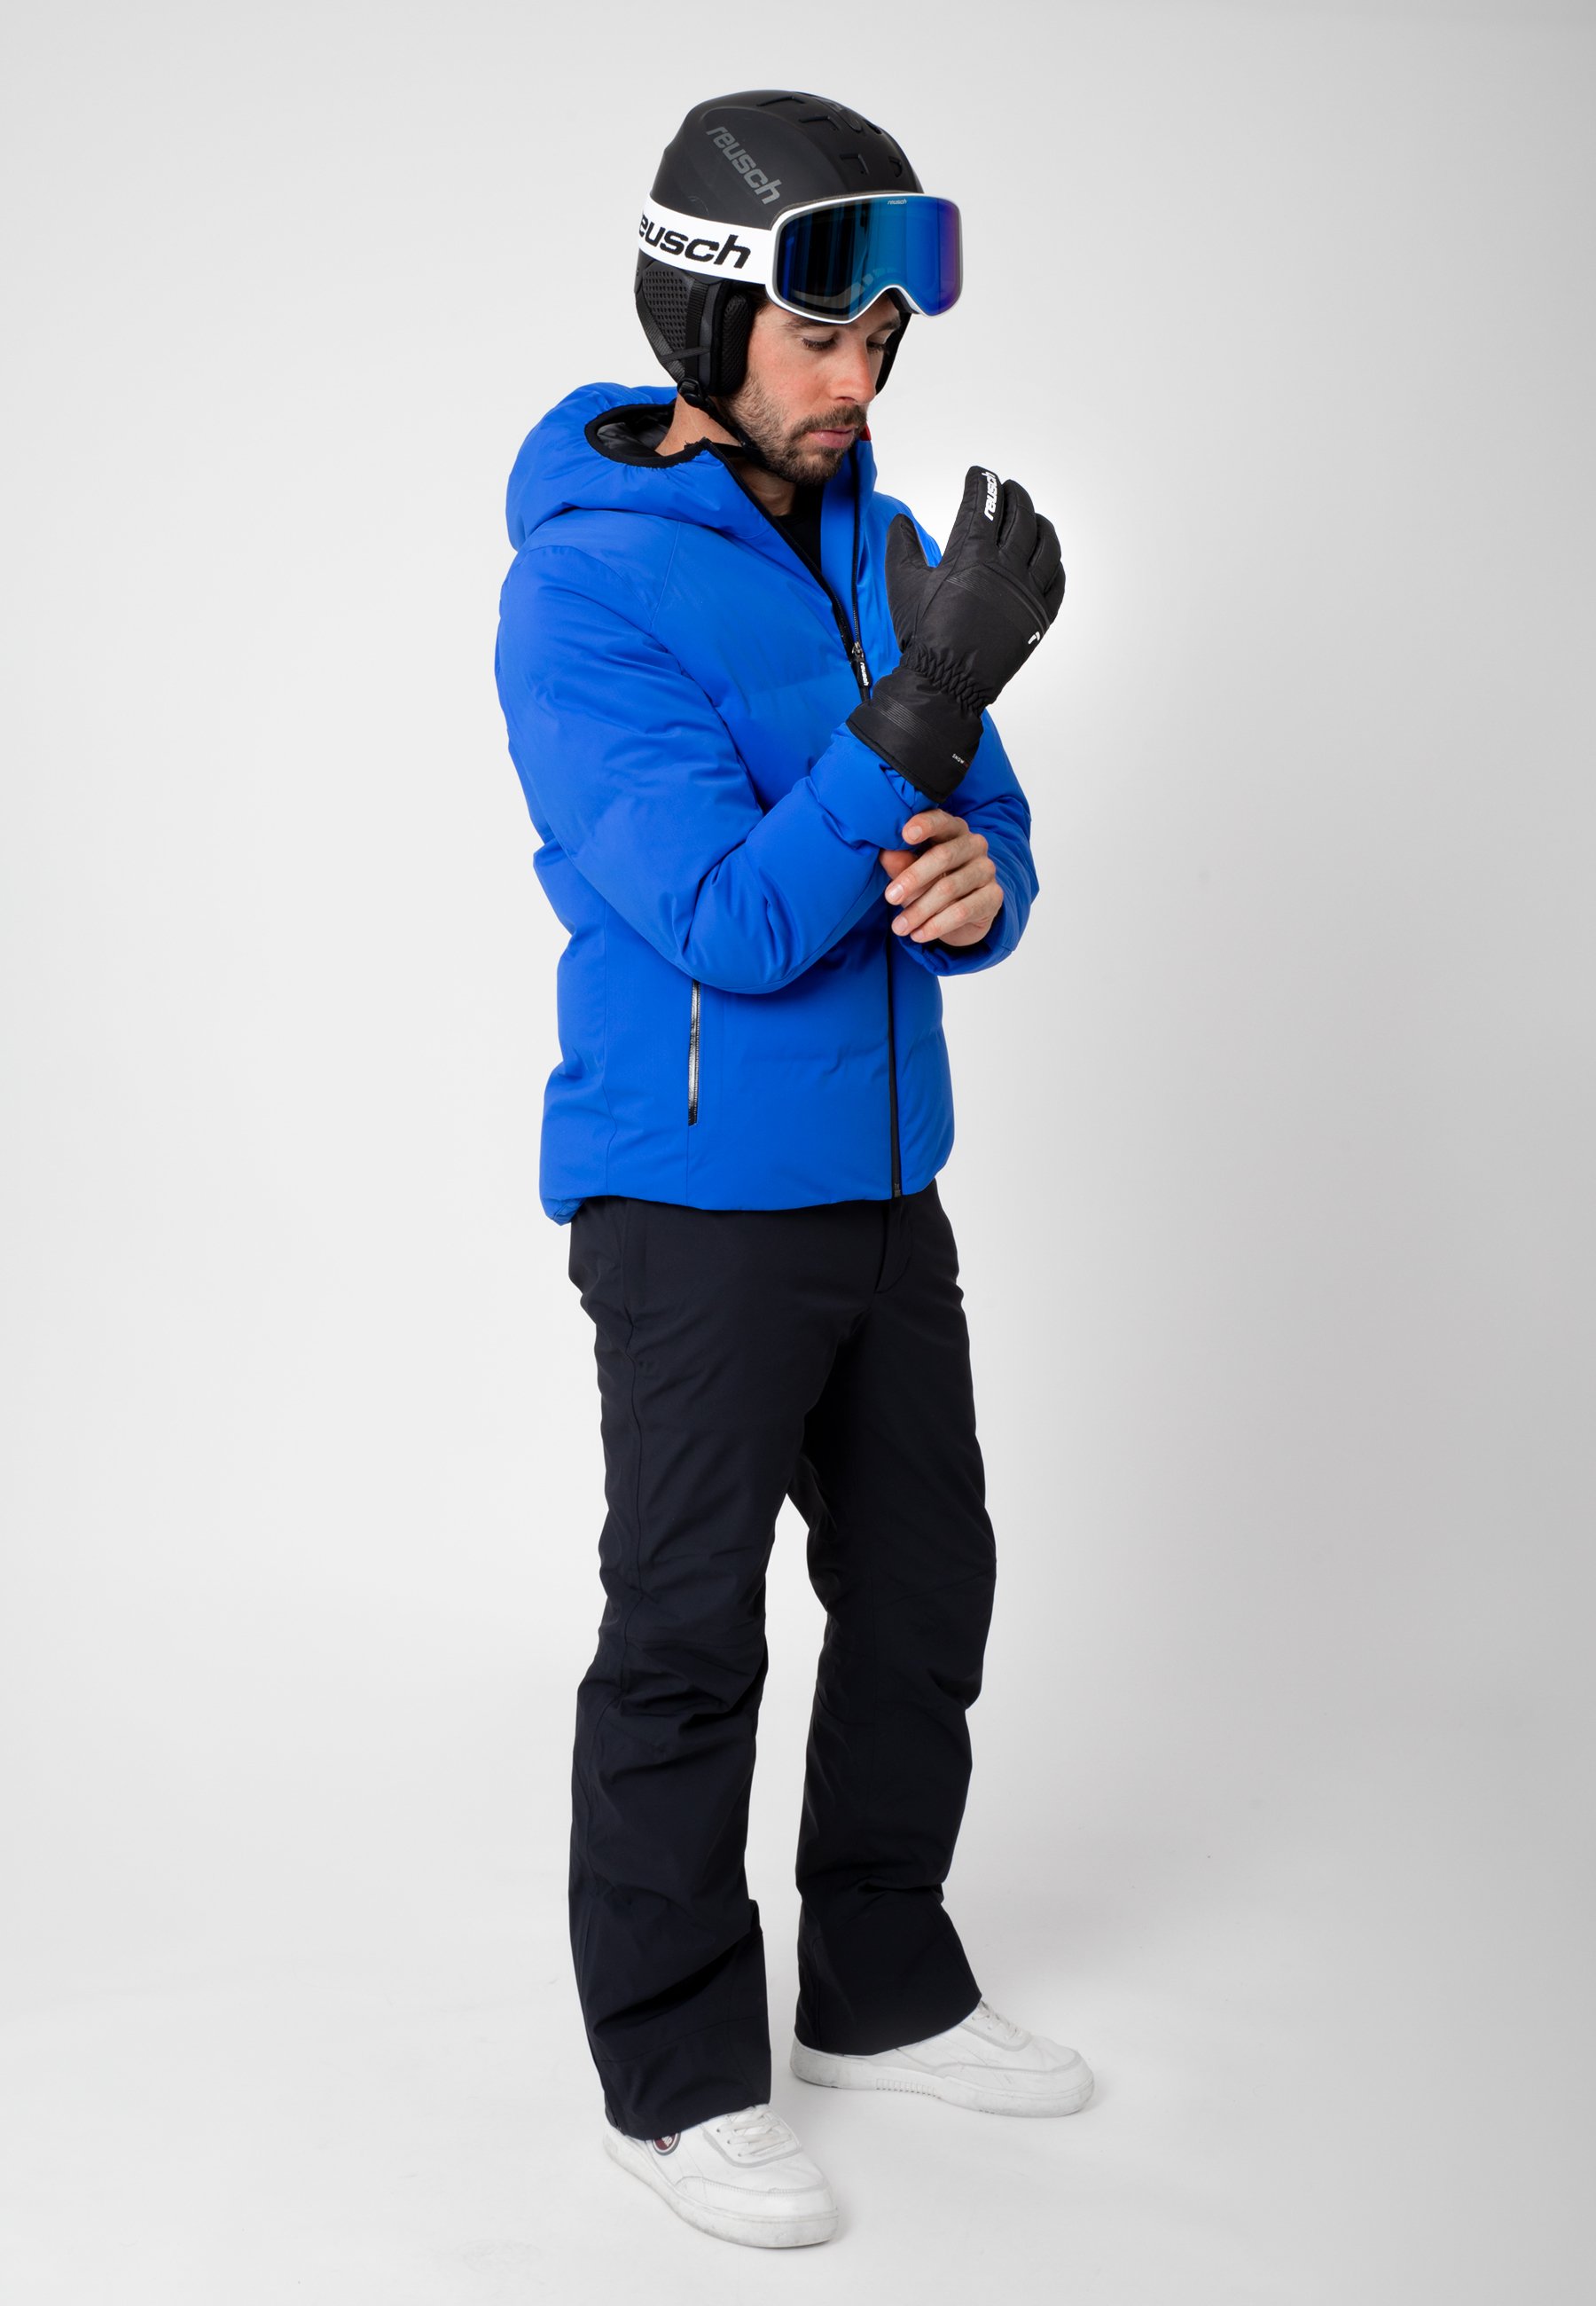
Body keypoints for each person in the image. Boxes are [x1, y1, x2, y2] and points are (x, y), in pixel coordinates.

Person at [494, 88, 1090, 2250]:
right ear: (705, 318)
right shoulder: (581, 595)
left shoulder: (884, 544)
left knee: (928, 1586)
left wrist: (979, 881)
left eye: (882, 348)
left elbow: (982, 831)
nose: (859, 387)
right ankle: (673, 2077)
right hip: (691, 1201)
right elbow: (731, 924)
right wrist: (913, 716)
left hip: (884, 1178)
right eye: (822, 341)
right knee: (687, 1631)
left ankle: (881, 1981)